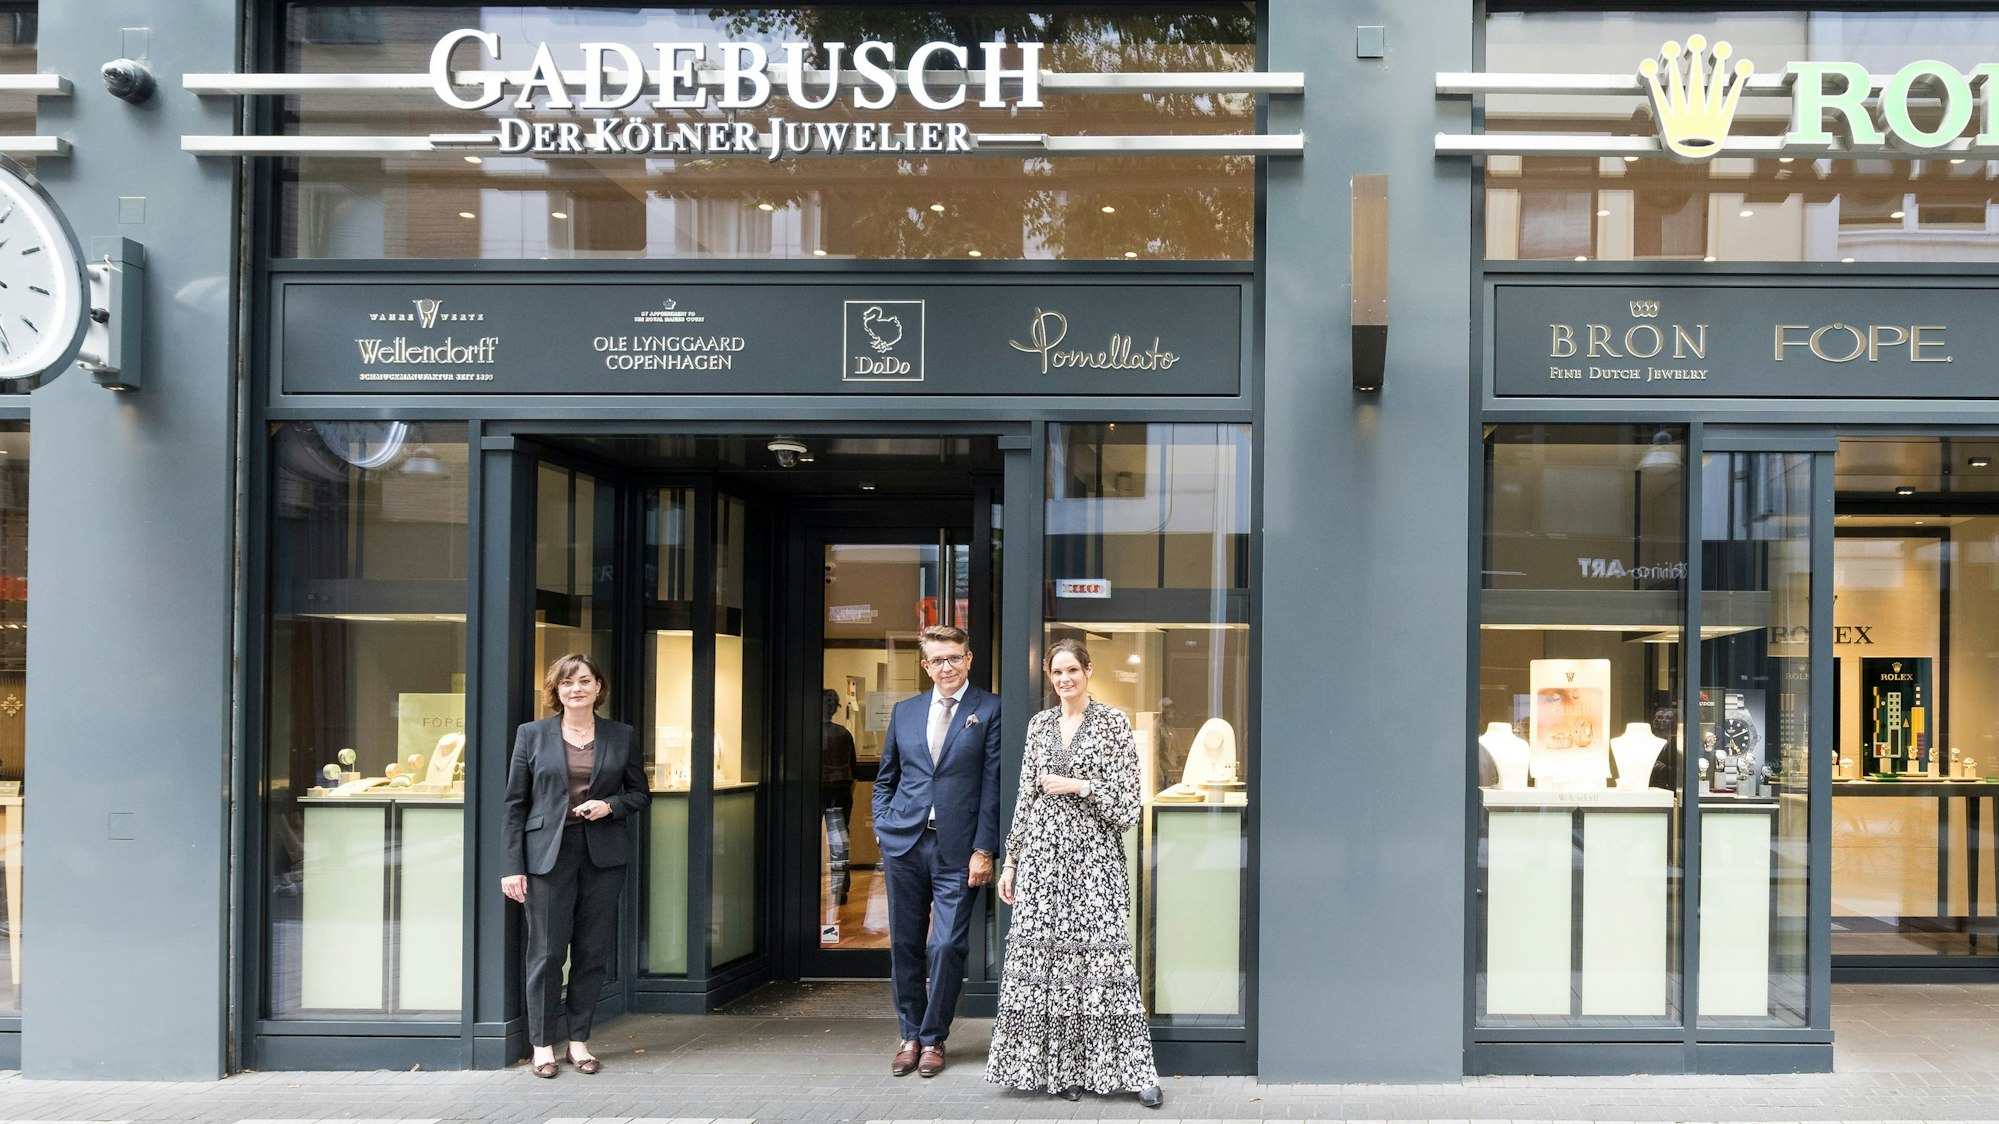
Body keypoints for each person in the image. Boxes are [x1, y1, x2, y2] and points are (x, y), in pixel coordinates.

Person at [986, 639, 1163, 1109]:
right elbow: (1025, 797)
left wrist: (1080, 785)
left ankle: (1136, 1072)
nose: (1065, 679)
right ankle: (1062, 1070)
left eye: (1072, 670)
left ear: (1088, 671)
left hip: (1095, 860)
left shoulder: (1112, 723)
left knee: (1106, 964)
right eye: (1057, 672)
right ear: (1050, 676)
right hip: (1042, 860)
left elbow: (1129, 804)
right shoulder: (1039, 725)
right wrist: (1011, 861)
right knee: (1050, 965)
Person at [500, 653, 649, 1079]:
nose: (576, 688)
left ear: (598, 687)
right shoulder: (531, 734)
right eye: (567, 682)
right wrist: (512, 866)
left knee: (591, 951)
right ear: (557, 690)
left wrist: (610, 805)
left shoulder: (620, 735)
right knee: (547, 953)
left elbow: (640, 793)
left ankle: (579, 1041)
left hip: (603, 856)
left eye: (584, 680)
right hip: (547, 856)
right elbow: (515, 805)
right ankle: (542, 1045)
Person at [872, 624, 1001, 1078]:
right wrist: (883, 827)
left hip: (959, 849)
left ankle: (933, 1037)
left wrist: (984, 848)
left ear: (969, 659)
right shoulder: (905, 711)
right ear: (926, 666)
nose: (947, 667)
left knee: (946, 944)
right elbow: (886, 777)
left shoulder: (990, 709)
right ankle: (910, 1036)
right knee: (906, 944)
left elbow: (993, 785)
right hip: (905, 844)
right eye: (938, 660)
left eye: (954, 658)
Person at [821, 688, 858, 906]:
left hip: (816, 789)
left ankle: (807, 885)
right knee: (839, 841)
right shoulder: (844, 733)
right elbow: (853, 770)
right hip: (841, 789)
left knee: (807, 839)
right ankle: (840, 889)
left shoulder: (809, 732)